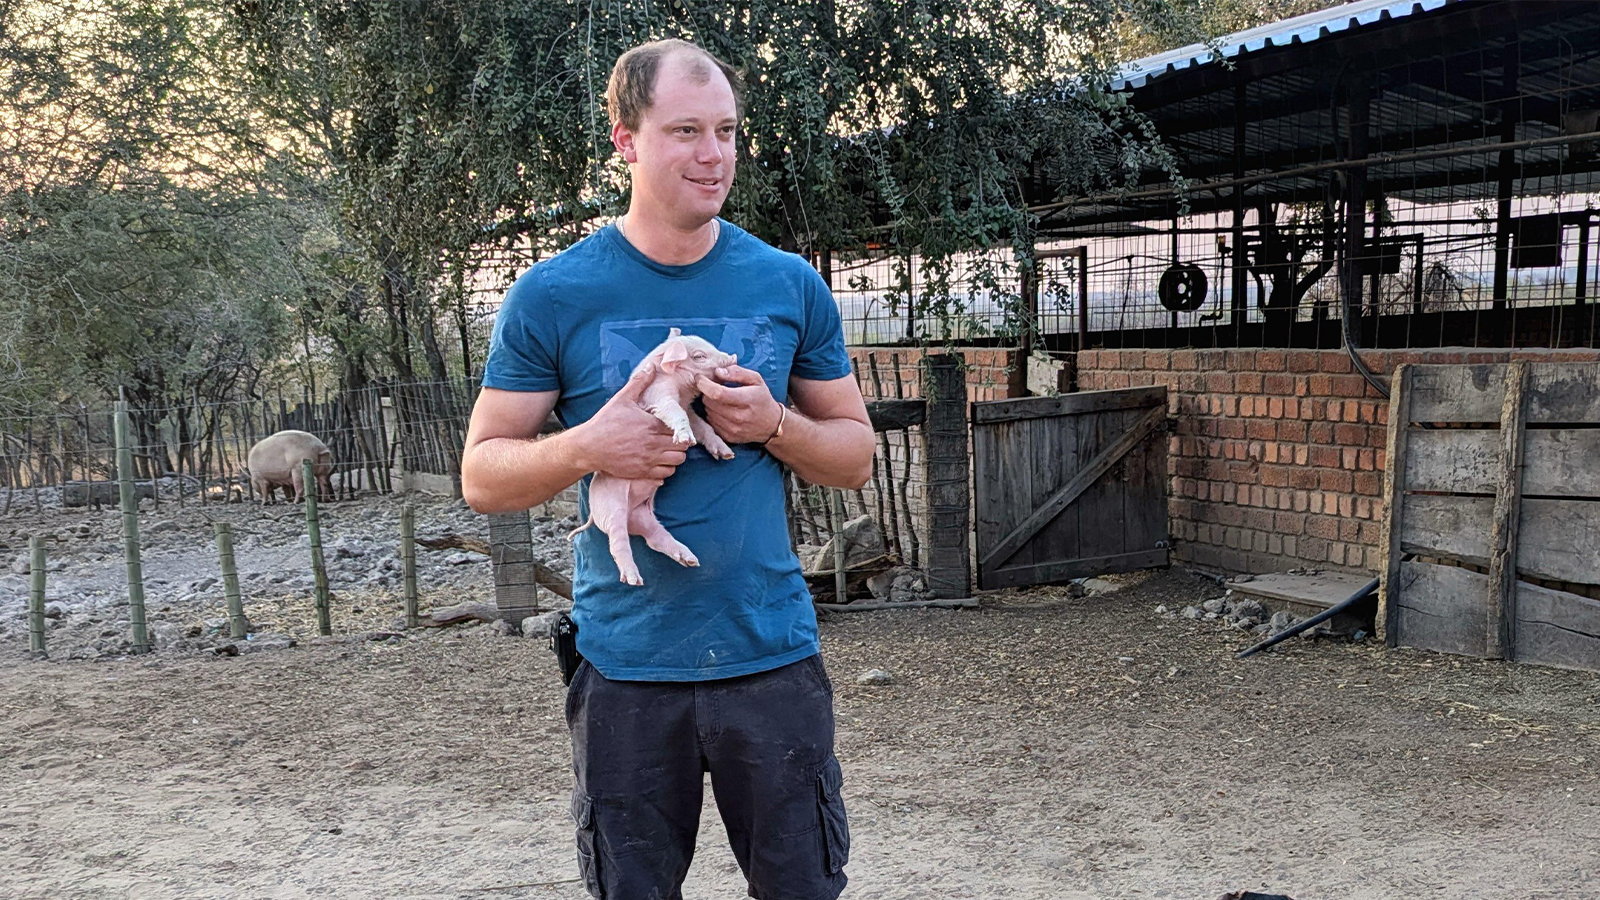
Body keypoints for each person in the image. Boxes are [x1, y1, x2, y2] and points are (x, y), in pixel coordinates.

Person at [461, 38, 875, 900]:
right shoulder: (554, 294)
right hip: (626, 666)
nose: (714, 154)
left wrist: (774, 423)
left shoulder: (788, 283)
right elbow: (483, 475)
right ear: (626, 140)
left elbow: (855, 458)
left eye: (726, 130)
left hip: (771, 654)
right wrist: (585, 448)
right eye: (685, 129)